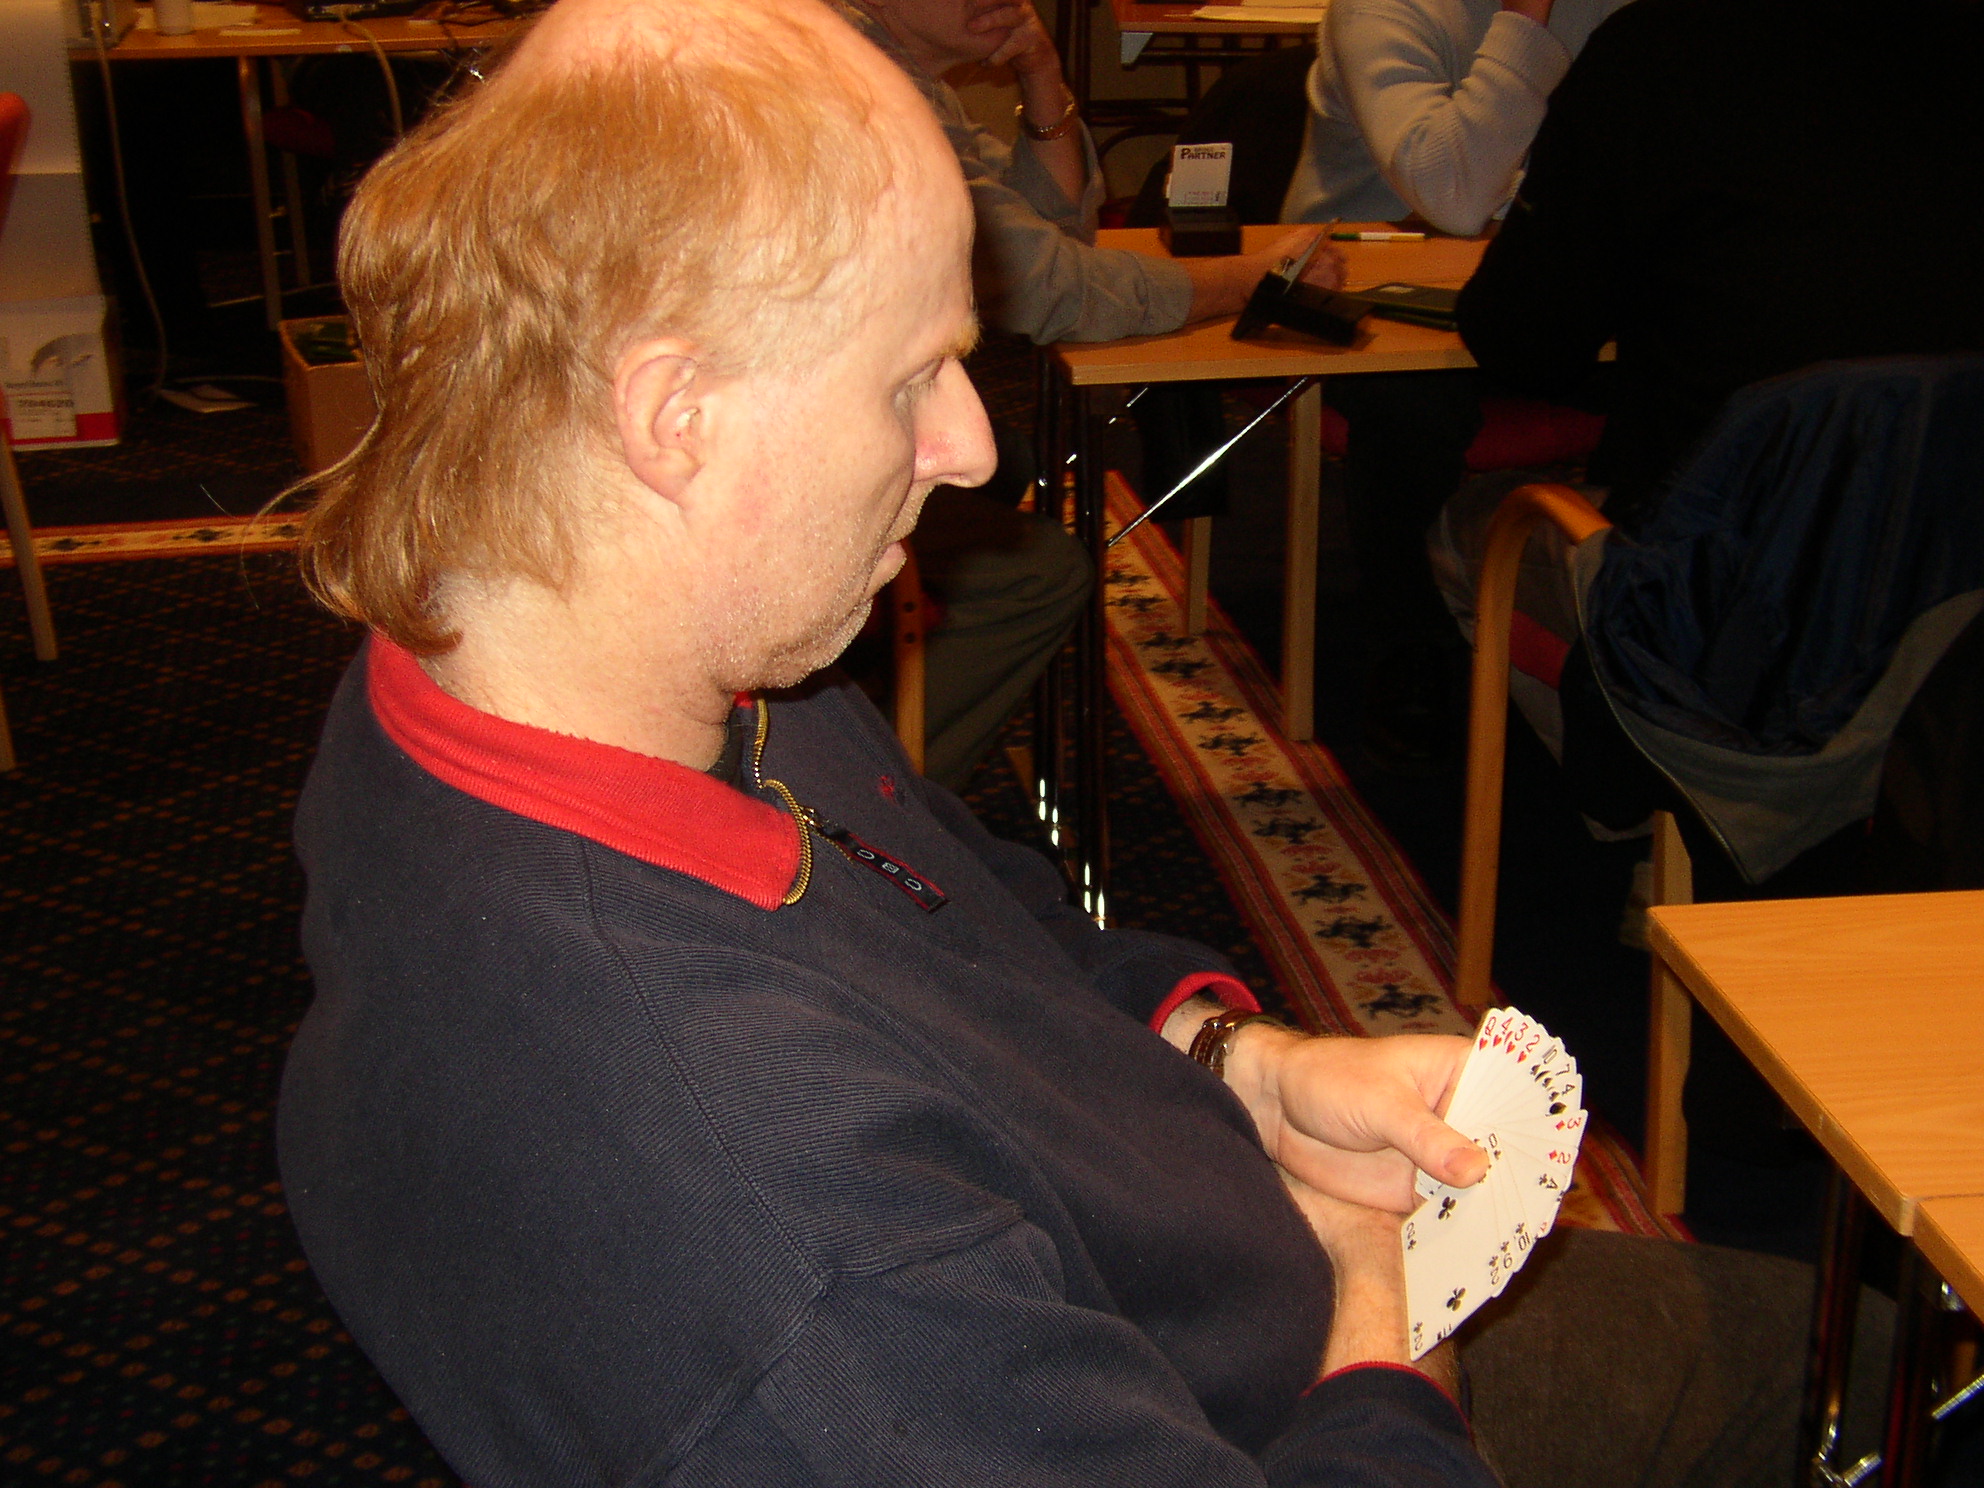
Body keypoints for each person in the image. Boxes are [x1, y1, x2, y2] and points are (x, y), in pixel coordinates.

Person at [275, 2, 1833, 1483]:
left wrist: (1243, 1068)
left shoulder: (589, 675)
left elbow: (981, 927)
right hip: (1286, 1405)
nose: (969, 446)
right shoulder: (780, 1240)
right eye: (910, 377)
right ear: (673, 414)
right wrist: (1376, 1311)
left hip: (1193, 1268)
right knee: (1847, 1373)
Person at [1278, 0, 1629, 770]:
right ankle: (1411, 642)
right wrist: (1525, 20)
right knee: (1413, 402)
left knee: (1704, 351)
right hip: (1362, 296)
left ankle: (1634, 619)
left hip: (1533, 285)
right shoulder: (1381, 10)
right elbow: (1455, 195)